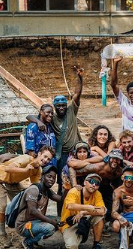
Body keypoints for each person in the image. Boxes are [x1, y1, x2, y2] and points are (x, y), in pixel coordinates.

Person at [27, 65, 84, 216]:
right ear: (54, 107)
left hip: (74, 153)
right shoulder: (50, 117)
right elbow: (30, 117)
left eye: (62, 105)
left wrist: (79, 77)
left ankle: (77, 214)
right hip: (59, 156)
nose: (61, 108)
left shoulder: (72, 110)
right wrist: (38, 122)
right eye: (57, 105)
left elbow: (77, 94)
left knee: (76, 184)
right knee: (60, 185)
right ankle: (61, 216)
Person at [0, 146, 56, 247]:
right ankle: (2, 234)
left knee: (25, 203)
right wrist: (25, 170)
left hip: (13, 182)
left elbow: (37, 187)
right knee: (2, 206)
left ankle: (27, 231)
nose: (46, 160)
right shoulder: (26, 159)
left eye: (49, 159)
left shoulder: (38, 170)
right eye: (45, 156)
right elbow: (8, 168)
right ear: (39, 154)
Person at [69, 149, 127, 223]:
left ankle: (105, 223)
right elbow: (72, 169)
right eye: (113, 158)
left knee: (111, 204)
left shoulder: (119, 171)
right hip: (92, 185)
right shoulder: (97, 167)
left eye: (118, 159)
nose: (115, 161)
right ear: (109, 158)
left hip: (106, 186)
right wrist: (74, 184)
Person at [16, 165, 61, 249]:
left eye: (54, 178)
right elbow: (32, 210)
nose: (52, 179)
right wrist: (51, 221)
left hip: (35, 221)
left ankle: (34, 240)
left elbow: (61, 199)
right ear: (42, 176)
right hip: (24, 225)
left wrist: (67, 188)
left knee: (60, 221)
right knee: (50, 228)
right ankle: (27, 242)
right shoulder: (34, 190)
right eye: (49, 176)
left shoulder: (47, 190)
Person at [60, 173, 106, 249]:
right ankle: (76, 237)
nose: (94, 184)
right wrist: (87, 207)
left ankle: (96, 244)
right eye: (91, 181)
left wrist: (83, 212)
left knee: (99, 217)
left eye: (97, 183)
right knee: (72, 246)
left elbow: (102, 210)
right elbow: (70, 206)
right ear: (85, 182)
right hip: (70, 223)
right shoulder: (74, 191)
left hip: (84, 219)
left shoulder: (97, 194)